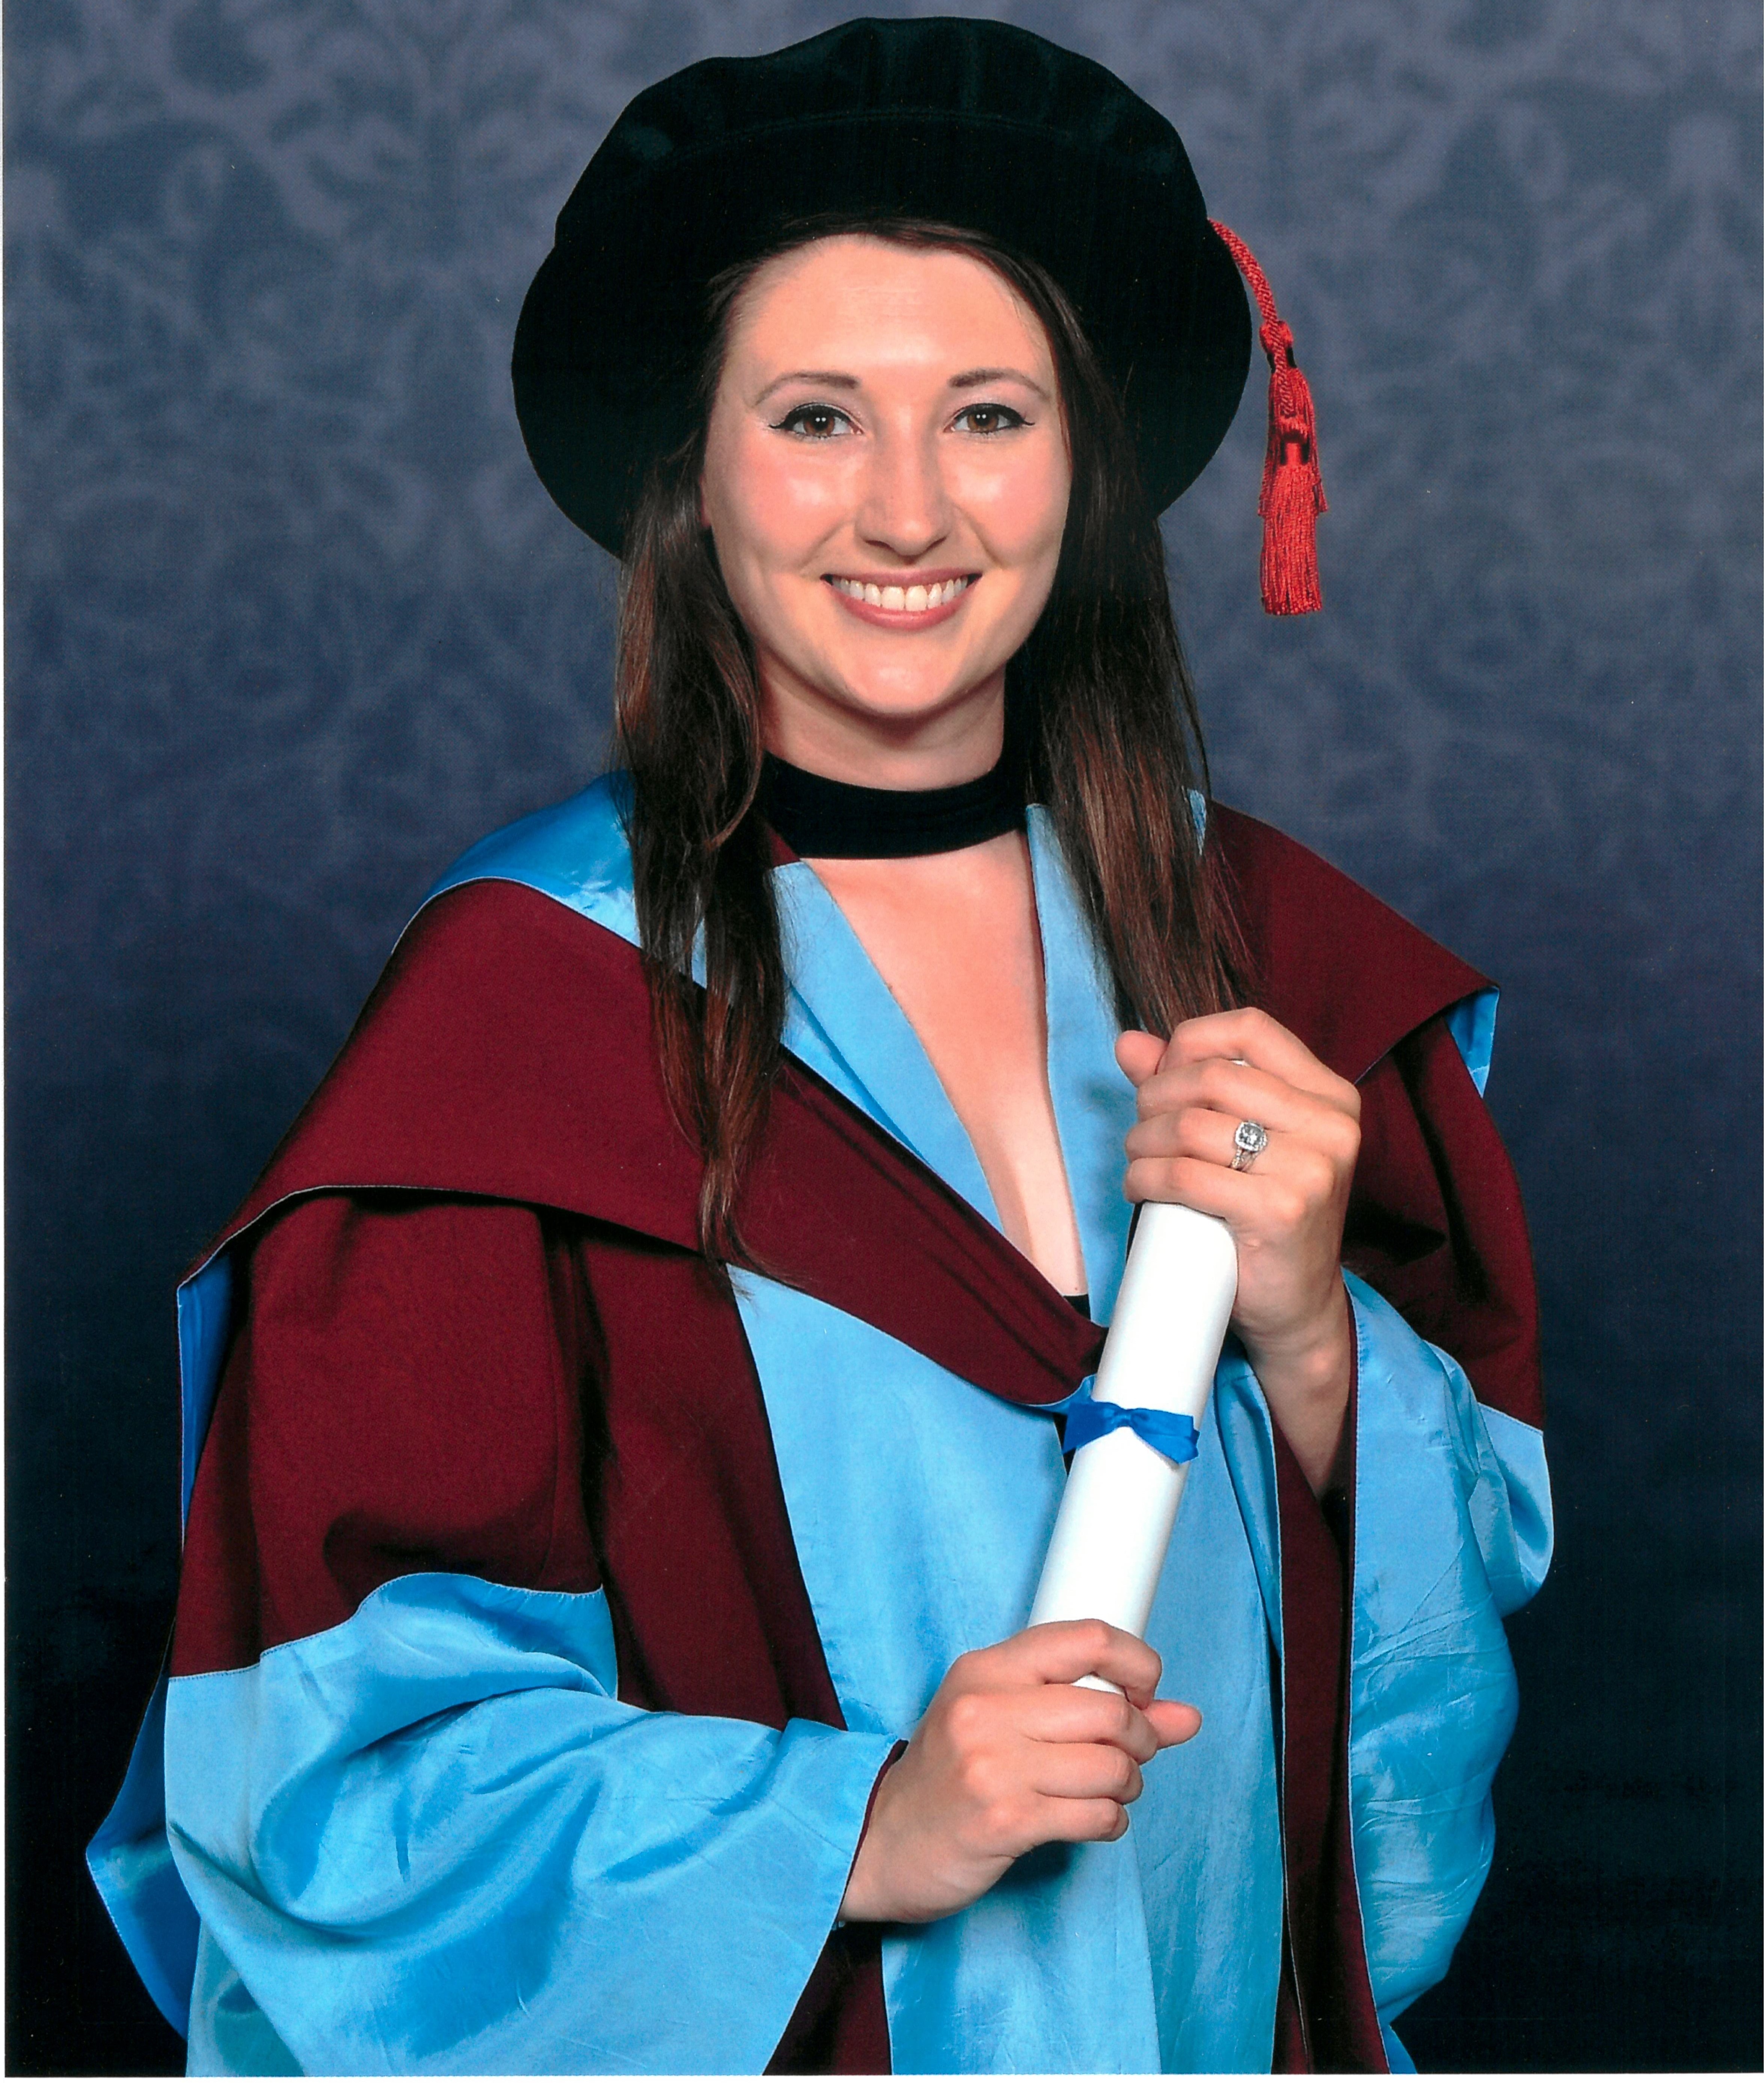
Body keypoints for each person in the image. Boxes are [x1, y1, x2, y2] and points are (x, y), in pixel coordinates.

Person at [89, 19, 1551, 2076]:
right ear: (694, 472)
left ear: (1082, 464)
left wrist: (1315, 1341)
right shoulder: (517, 1029)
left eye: (985, 413)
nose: (909, 508)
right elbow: (333, 1793)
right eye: (812, 418)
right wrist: (859, 1824)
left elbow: (1440, 1633)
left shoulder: (1263, 960)